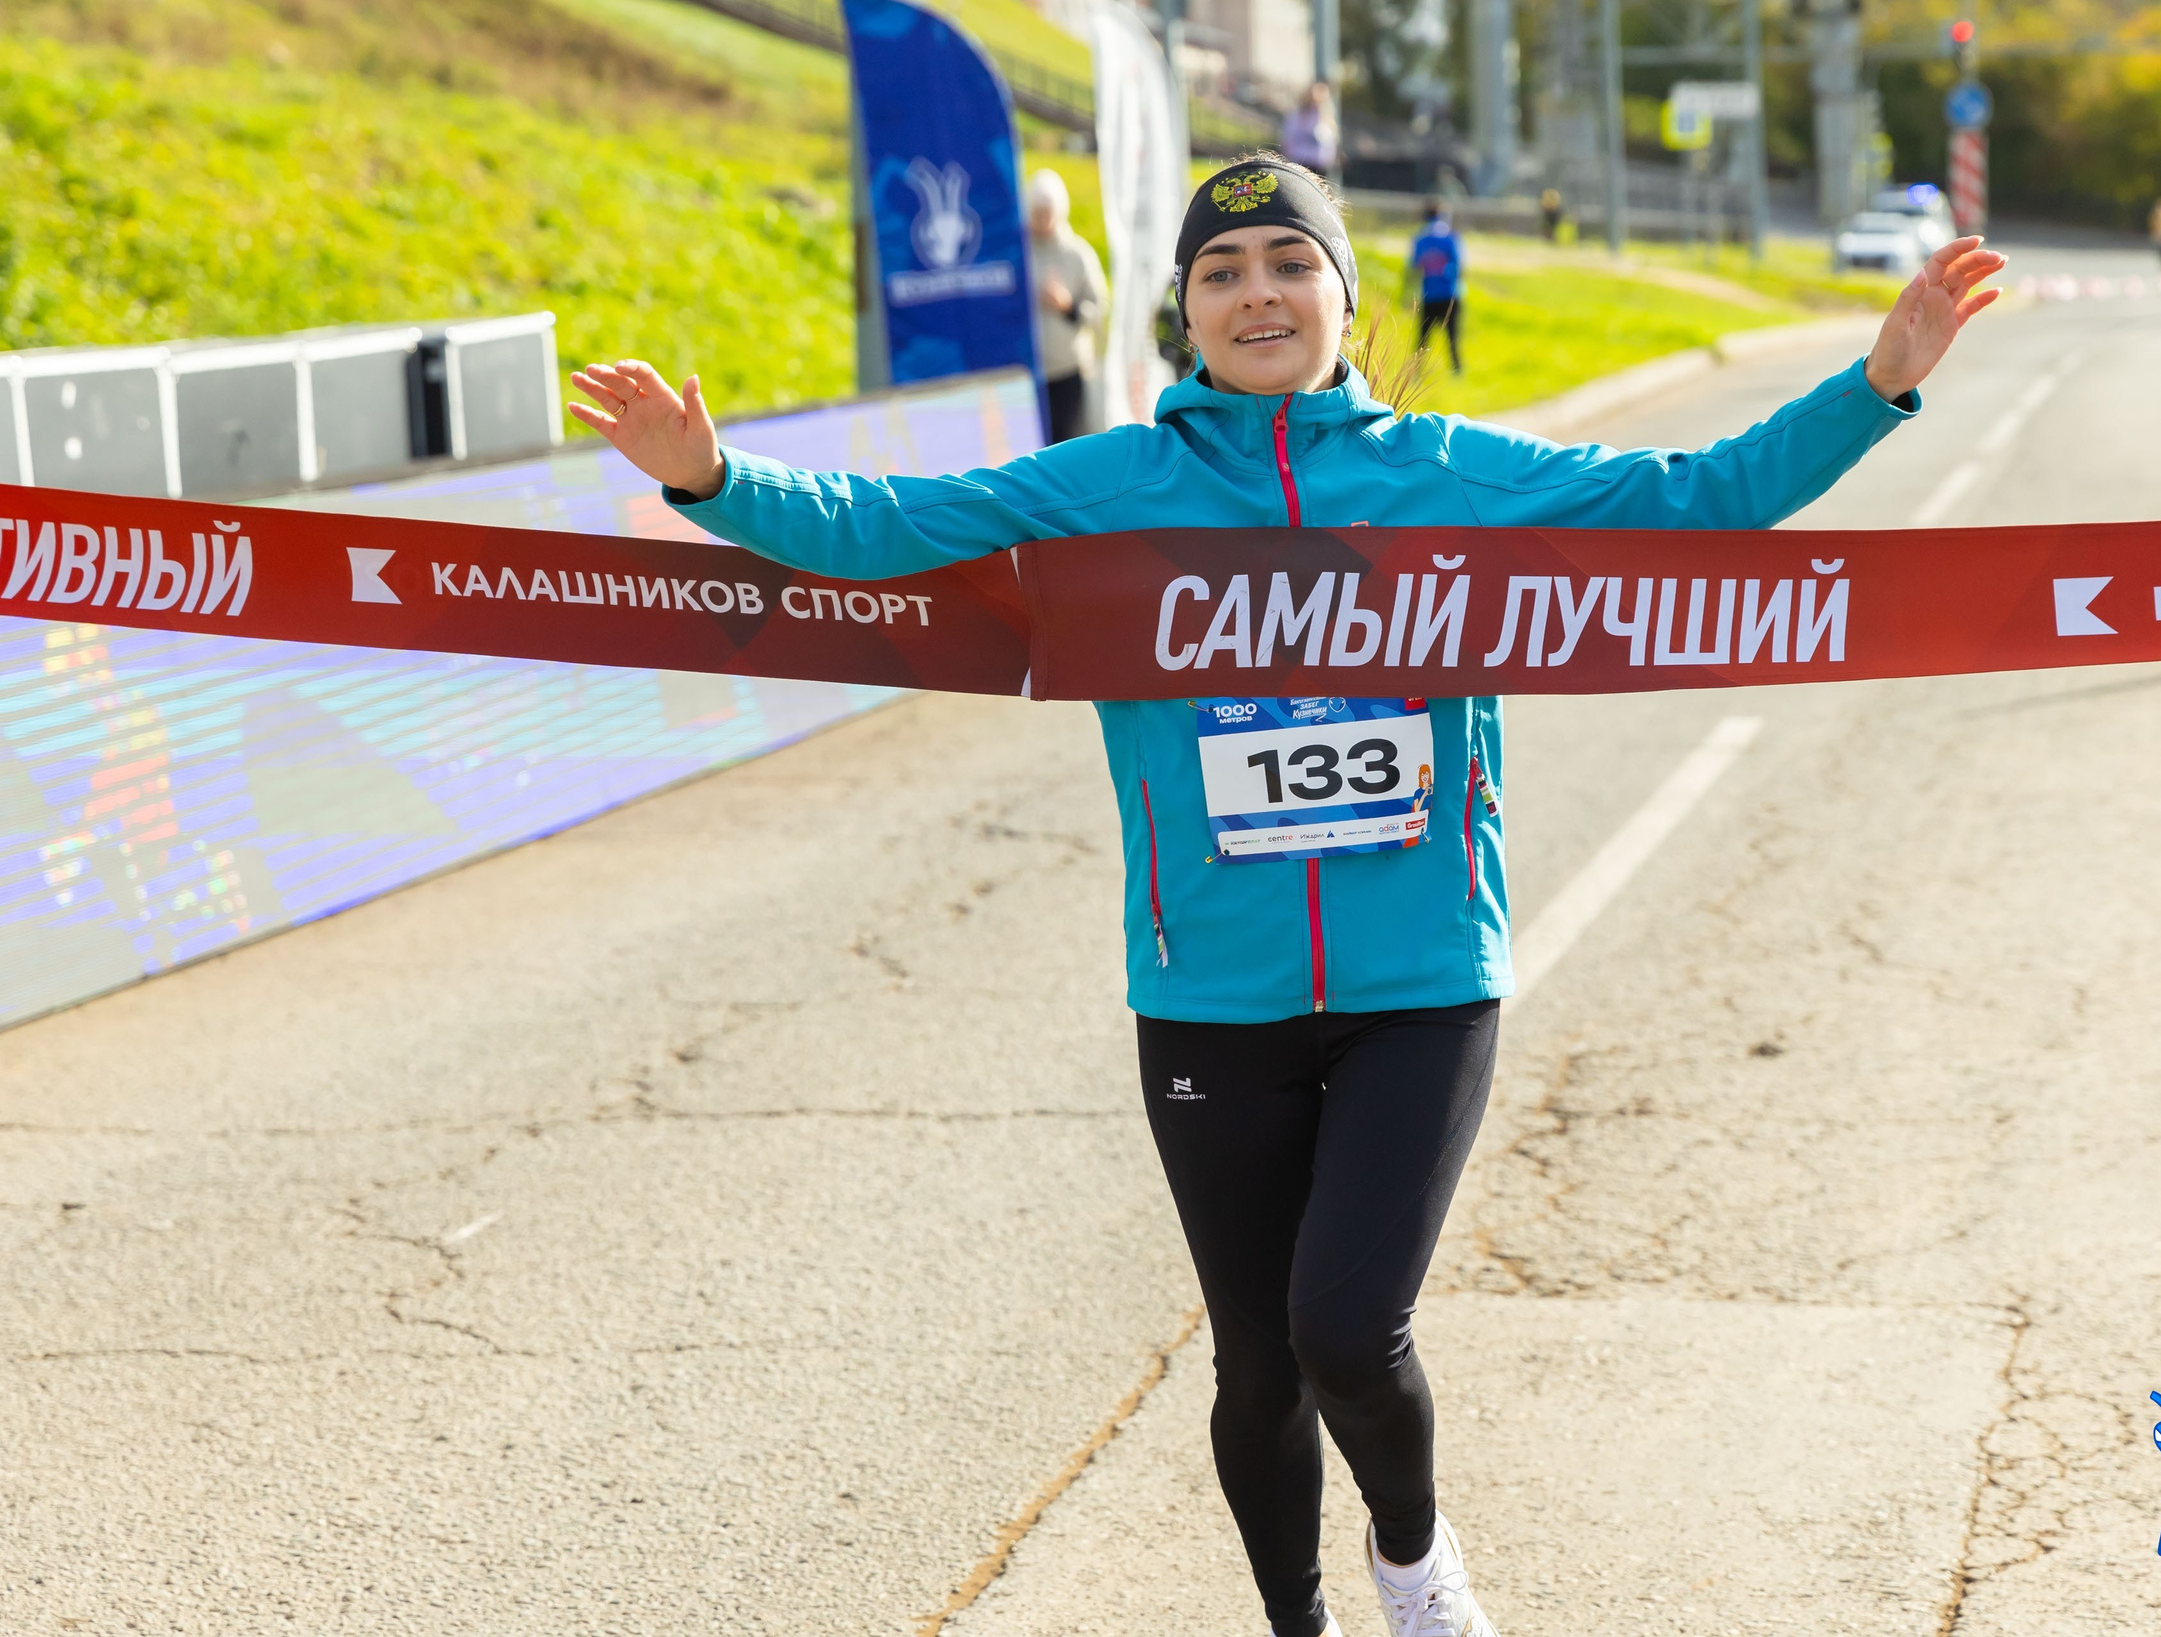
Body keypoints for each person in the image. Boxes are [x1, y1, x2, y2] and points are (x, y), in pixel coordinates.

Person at [565, 154, 2004, 1637]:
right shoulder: (1109, 484)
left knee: (1345, 1330)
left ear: (1344, 292)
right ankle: (1299, 1626)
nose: (1258, 292)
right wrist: (711, 480)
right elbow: (889, 523)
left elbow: (1691, 502)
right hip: (1212, 996)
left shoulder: (1448, 472)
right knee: (1255, 1362)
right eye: (1223, 271)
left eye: (1287, 262)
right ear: (1184, 313)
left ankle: (1413, 1560)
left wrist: (1877, 382)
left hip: (1421, 979)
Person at [1025, 168, 1107, 440]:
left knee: (1064, 444)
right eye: (1037, 212)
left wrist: (1068, 306)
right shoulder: (1018, 253)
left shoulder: (1077, 253)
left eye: (1048, 212)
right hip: (1027, 371)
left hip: (1067, 369)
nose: (1043, 220)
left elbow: (1098, 308)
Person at [1408, 200, 1465, 374]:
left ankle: (1416, 371)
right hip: (1450, 294)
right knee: (1453, 337)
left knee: (1423, 338)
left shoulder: (1420, 239)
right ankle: (1456, 370)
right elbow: (1459, 266)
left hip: (1429, 294)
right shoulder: (1451, 238)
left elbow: (1415, 267)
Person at [1281, 82, 1341, 182]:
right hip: (1299, 163)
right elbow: (1288, 140)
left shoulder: (1327, 119)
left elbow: (1328, 143)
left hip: (1320, 166)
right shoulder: (1296, 117)